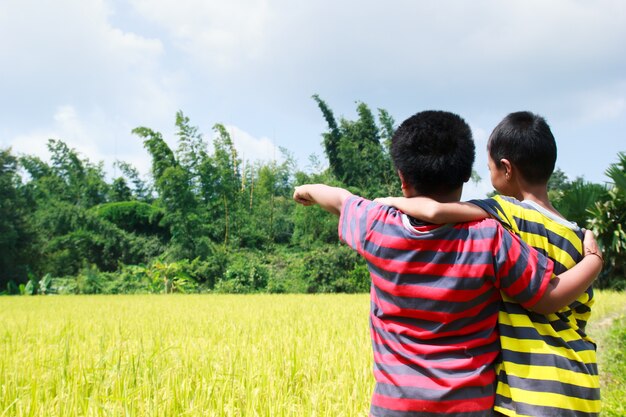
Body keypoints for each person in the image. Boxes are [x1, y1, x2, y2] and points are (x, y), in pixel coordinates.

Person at [293, 110, 603, 417]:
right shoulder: (492, 237)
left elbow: (338, 198)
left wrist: (305, 190)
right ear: (467, 174)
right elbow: (545, 296)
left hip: (394, 407)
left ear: (402, 177)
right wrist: (593, 260)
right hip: (472, 407)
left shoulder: (375, 224)